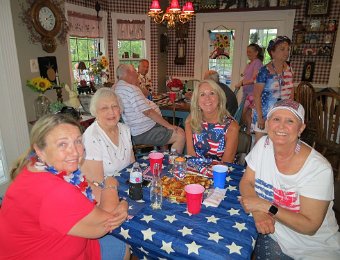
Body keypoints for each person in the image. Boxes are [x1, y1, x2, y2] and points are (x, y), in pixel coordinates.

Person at [0, 114, 130, 259]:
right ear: (39, 150)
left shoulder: (36, 165)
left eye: (78, 141)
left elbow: (88, 189)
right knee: (122, 245)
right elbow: (107, 223)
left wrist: (113, 196)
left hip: (54, 245)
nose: (74, 152)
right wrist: (112, 184)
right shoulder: (55, 191)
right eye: (62, 144)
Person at [239, 99, 340, 259]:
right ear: (267, 124)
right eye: (276, 119)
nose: (281, 126)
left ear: (301, 128)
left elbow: (310, 226)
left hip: (314, 249)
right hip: (275, 236)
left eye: (290, 121)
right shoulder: (263, 145)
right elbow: (246, 182)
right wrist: (258, 211)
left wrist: (266, 206)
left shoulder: (317, 168)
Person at [115, 64, 185, 153]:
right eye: (135, 71)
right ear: (129, 73)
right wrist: (169, 125)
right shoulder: (130, 89)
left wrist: (136, 84)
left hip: (138, 130)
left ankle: (163, 158)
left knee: (164, 127)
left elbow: (146, 94)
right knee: (180, 134)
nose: (137, 74)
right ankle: (173, 164)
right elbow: (148, 112)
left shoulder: (118, 88)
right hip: (143, 132)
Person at [81, 88, 135, 187]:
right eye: (104, 108)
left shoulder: (125, 129)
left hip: (127, 185)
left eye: (114, 106)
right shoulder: (92, 136)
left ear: (120, 109)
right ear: (96, 112)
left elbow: (133, 165)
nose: (111, 112)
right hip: (106, 192)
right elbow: (96, 183)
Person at [185, 80, 239, 163]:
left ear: (219, 98)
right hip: (196, 171)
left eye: (212, 93)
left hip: (221, 173)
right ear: (197, 101)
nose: (207, 98)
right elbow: (191, 155)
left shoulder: (231, 127)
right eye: (202, 94)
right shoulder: (191, 121)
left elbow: (225, 164)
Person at [253, 36, 294, 143]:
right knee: (260, 147)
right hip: (264, 115)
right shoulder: (264, 71)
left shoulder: (289, 69)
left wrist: (290, 113)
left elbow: (291, 92)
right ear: (272, 52)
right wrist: (260, 117)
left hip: (281, 117)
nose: (286, 52)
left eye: (287, 49)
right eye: (282, 49)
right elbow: (256, 95)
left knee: (276, 147)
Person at [234, 43, 264, 133]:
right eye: (247, 52)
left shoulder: (258, 63)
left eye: (250, 52)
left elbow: (255, 79)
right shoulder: (249, 64)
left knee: (241, 112)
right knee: (247, 115)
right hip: (246, 93)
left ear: (256, 52)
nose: (248, 53)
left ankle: (242, 130)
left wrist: (242, 83)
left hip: (253, 94)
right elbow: (247, 77)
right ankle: (247, 133)